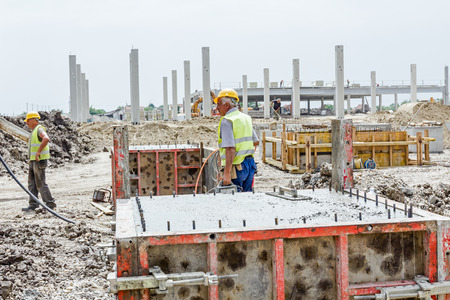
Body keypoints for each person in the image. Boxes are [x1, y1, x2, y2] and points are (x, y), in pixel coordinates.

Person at [214, 89, 259, 192]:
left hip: (237, 168)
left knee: (234, 201)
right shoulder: (246, 118)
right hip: (250, 165)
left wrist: (226, 174)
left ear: (226, 105)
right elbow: (256, 142)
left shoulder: (227, 120)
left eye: (219, 105)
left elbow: (230, 149)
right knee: (246, 198)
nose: (217, 108)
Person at [22, 111, 56, 211]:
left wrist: (38, 152)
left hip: (39, 160)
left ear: (33, 120)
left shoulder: (39, 129)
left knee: (40, 183)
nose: (27, 123)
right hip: (33, 161)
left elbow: (46, 139)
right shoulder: (33, 131)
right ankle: (33, 205)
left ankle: (50, 204)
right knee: (32, 184)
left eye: (28, 121)